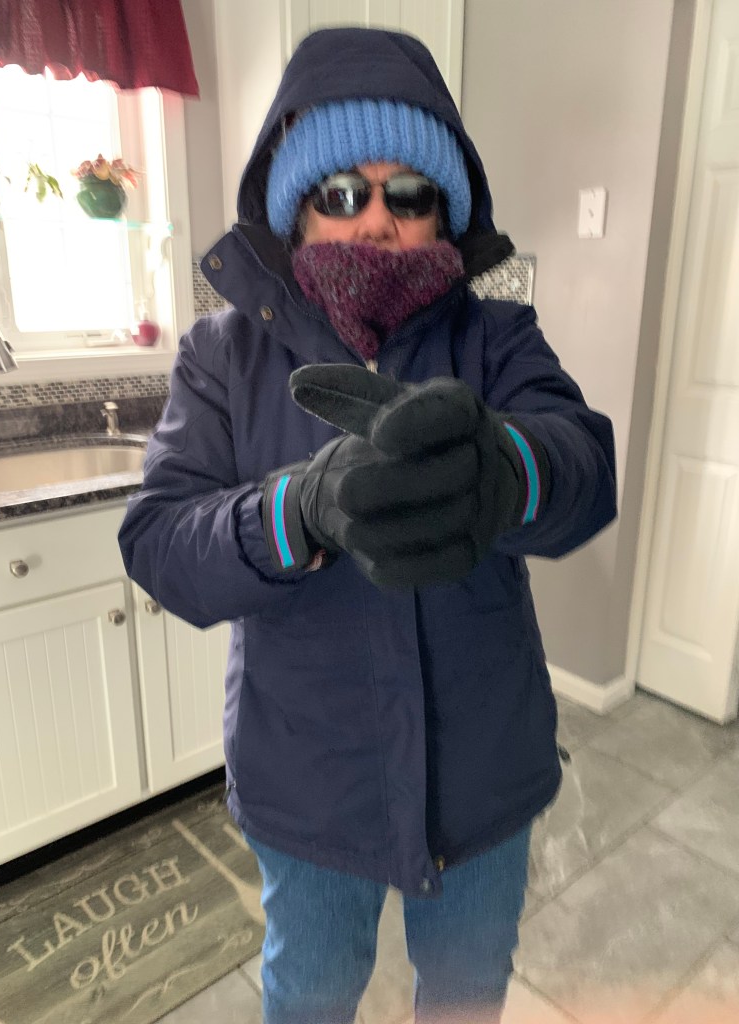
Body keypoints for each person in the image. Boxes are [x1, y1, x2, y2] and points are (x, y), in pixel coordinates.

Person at [119, 26, 616, 1024]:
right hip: (309, 791)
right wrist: (293, 513)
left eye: (408, 194)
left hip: (485, 780)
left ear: (446, 214)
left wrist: (499, 474)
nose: (374, 221)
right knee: (308, 995)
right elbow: (160, 539)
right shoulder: (222, 357)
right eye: (341, 194)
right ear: (296, 209)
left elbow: (584, 466)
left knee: (468, 997)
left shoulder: (499, 337)